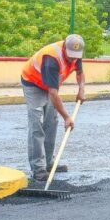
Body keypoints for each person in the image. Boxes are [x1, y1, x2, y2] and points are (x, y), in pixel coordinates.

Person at [20, 34, 87, 180]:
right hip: (33, 82)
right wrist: (67, 117)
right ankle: (38, 169)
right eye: (70, 57)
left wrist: (81, 89)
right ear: (64, 48)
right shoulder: (52, 59)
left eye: (75, 57)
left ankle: (49, 163)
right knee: (36, 124)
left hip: (50, 84)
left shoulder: (75, 53)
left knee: (51, 122)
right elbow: (53, 93)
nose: (72, 60)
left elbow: (80, 73)